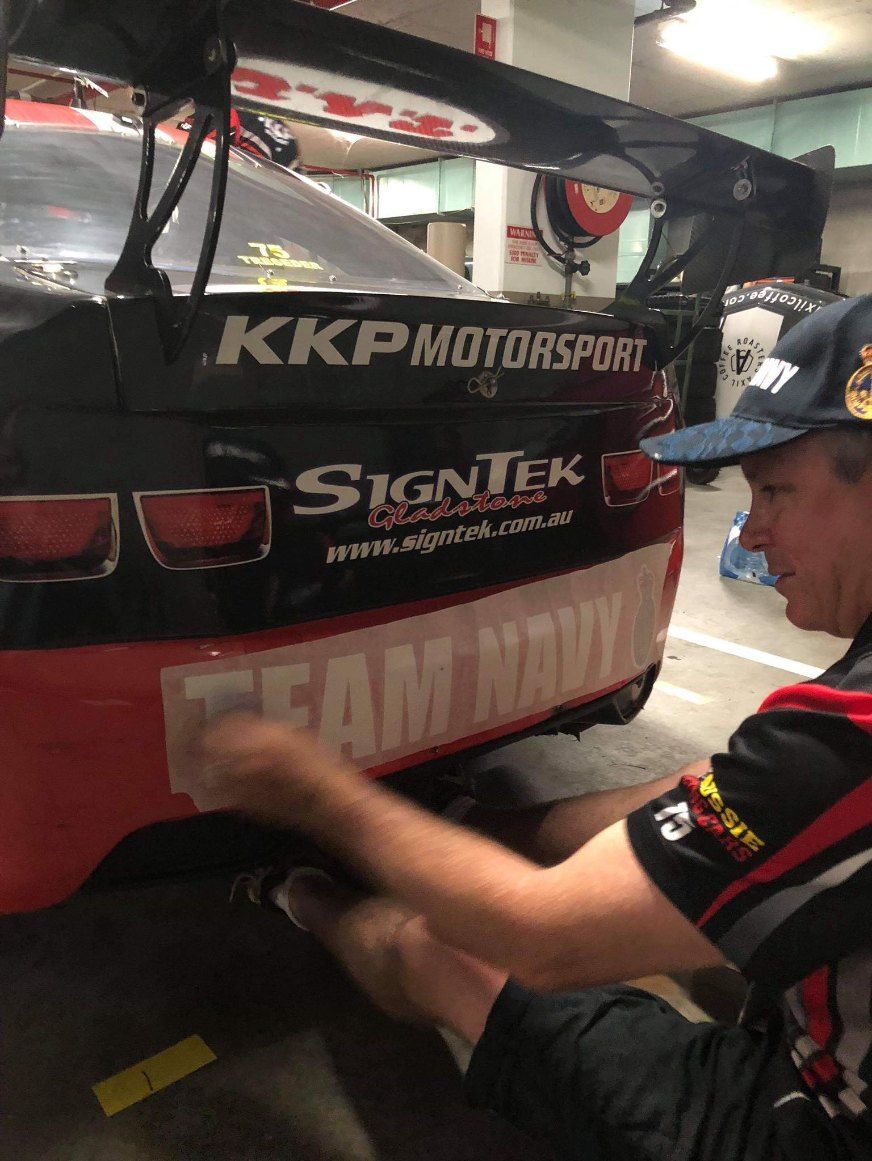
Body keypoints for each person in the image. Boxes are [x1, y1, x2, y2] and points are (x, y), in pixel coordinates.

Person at [191, 294, 872, 1161]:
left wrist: (317, 792)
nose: (752, 530)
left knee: (442, 949)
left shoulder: (849, 733)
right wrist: (475, 825)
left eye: (776, 489)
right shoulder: (832, 737)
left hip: (817, 1125)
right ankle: (450, 834)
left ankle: (294, 889)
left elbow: (539, 935)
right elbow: (728, 792)